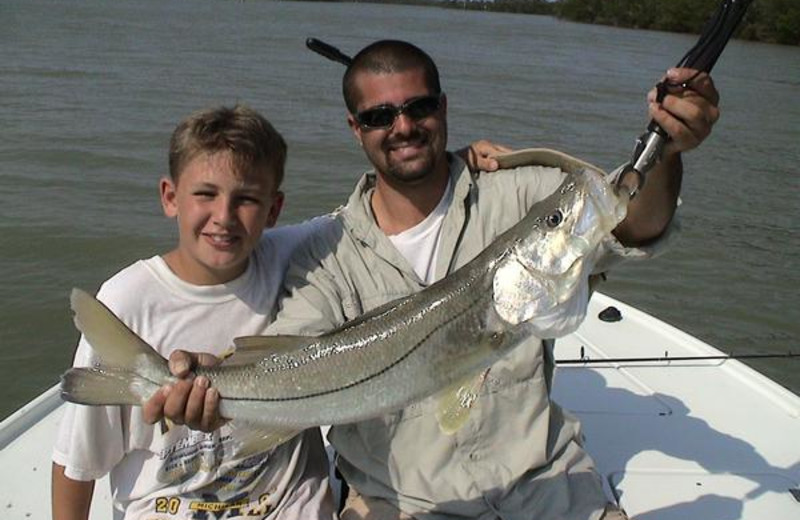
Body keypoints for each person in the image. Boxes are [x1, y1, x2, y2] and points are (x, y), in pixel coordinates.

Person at [149, 40, 720, 520]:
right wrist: (207, 384)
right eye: (379, 116)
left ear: (444, 107)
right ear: (356, 128)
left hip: (549, 493)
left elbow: (633, 223)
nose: (403, 127)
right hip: (403, 505)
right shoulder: (323, 254)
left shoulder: (523, 193)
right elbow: (294, 351)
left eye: (418, 107)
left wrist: (667, 149)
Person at [52, 105, 337, 520]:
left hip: (292, 506)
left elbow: (373, 212)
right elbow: (76, 462)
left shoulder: (293, 257)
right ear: (170, 197)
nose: (223, 217)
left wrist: (461, 161)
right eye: (205, 194)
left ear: (274, 210)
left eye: (246, 199)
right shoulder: (127, 302)